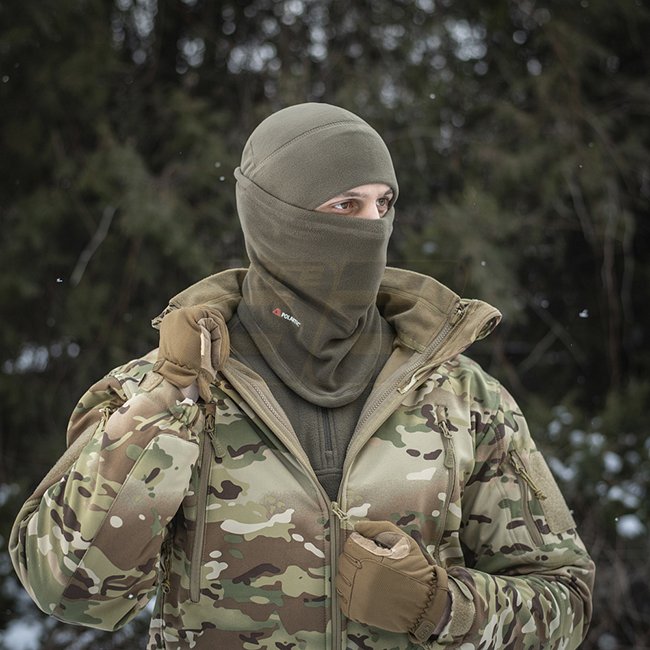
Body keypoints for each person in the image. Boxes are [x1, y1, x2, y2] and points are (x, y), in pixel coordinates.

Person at [10, 103, 594, 649]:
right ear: (275, 217)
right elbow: (70, 592)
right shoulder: (159, 388)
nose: (372, 225)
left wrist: (441, 608)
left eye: (383, 204)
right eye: (345, 205)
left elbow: (564, 601)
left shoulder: (461, 395)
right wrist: (166, 404)